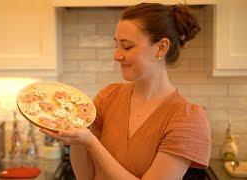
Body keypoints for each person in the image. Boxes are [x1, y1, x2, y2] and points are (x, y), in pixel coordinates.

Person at [41, 3, 211, 180]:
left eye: (127, 46)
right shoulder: (108, 97)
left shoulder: (188, 118)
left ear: (161, 48)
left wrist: (90, 142)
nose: (117, 55)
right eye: (117, 45)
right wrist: (75, 134)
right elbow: (86, 177)